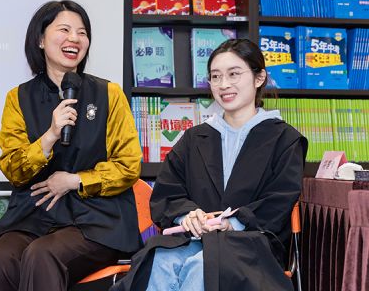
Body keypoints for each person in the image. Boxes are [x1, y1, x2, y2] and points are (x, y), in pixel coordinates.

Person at [113, 39, 307, 291]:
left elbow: (279, 200)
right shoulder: (194, 138)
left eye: (234, 74)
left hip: (251, 245)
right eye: (216, 77)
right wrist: (188, 215)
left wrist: (232, 223)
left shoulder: (284, 139)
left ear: (259, 78)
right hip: (193, 240)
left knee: (203, 266)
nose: (223, 84)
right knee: (159, 261)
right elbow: (168, 191)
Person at [0, 0, 143, 291]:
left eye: (82, 32)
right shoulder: (18, 98)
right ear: (40, 40)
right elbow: (14, 169)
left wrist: (75, 181)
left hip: (97, 221)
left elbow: (128, 165)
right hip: (34, 218)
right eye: (64, 30)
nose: (74, 39)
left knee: (42, 254)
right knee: (0, 259)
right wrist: (49, 136)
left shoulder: (109, 94)